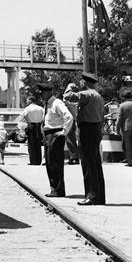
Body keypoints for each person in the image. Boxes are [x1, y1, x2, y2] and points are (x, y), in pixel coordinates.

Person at [64, 72, 106, 206]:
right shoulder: (98, 96)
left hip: (87, 130)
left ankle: (91, 196)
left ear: (84, 82)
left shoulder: (87, 94)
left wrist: (70, 86)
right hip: (95, 129)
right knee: (95, 164)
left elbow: (68, 96)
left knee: (88, 164)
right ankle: (99, 196)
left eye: (81, 81)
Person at [38, 83, 73, 197]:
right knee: (49, 163)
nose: (41, 95)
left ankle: (58, 190)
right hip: (49, 134)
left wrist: (64, 132)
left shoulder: (57, 103)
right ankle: (54, 189)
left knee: (55, 163)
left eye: (42, 93)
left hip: (55, 134)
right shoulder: (47, 104)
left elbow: (69, 116)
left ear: (48, 92)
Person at [16, 95, 44, 165]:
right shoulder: (40, 108)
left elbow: (24, 115)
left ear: (31, 100)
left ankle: (33, 161)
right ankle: (38, 161)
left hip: (31, 126)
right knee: (38, 144)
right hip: (39, 126)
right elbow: (44, 116)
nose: (26, 101)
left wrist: (28, 122)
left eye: (27, 100)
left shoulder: (27, 108)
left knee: (31, 144)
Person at [63, 83, 80, 164]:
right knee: (72, 140)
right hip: (74, 121)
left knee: (70, 140)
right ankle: (74, 157)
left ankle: (73, 157)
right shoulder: (76, 99)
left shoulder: (67, 98)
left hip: (69, 121)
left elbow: (65, 97)